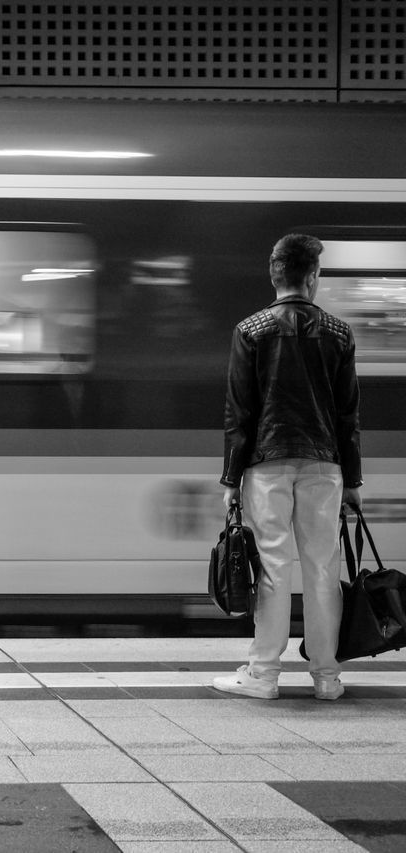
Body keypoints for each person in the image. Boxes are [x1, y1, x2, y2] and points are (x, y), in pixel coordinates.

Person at [215, 233, 362, 701]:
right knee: (323, 567)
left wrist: (231, 478)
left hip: (267, 465)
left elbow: (240, 414)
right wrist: (353, 481)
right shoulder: (339, 333)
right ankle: (327, 677)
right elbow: (347, 416)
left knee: (273, 568)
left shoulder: (250, 330)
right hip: (324, 465)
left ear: (274, 274)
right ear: (313, 277)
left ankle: (263, 675)